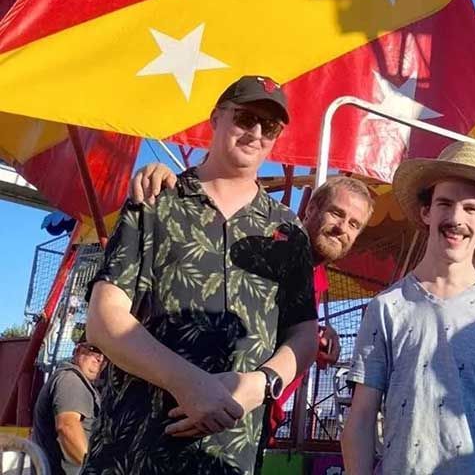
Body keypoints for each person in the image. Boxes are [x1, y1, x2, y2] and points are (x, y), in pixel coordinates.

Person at [82, 75, 319, 475]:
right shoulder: (156, 201)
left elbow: (304, 333)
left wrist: (259, 385)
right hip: (134, 448)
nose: (256, 133)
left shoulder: (287, 231)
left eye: (270, 126)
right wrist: (188, 384)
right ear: (216, 118)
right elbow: (104, 319)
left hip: (231, 455)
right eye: (245, 117)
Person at [130, 164, 375, 441]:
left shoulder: (316, 276)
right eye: (336, 213)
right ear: (311, 209)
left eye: (354, 224)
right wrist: (168, 179)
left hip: (250, 419)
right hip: (186, 401)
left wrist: (315, 334)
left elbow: (277, 322)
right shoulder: (267, 241)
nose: (341, 228)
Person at [342, 140, 475, 475]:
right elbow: (360, 418)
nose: (456, 218)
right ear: (426, 212)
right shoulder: (386, 309)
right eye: (445, 203)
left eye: (470, 208)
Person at [31, 337, 105, 475]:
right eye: (94, 350)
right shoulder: (72, 380)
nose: (100, 358)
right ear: (77, 351)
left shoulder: (73, 380)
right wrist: (94, 470)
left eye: (105, 354)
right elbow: (67, 427)